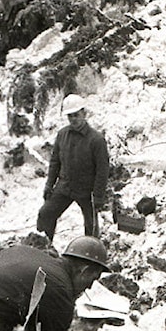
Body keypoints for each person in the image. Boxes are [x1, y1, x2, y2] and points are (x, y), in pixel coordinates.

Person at [38, 94, 110, 241]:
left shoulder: (96, 140)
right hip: (64, 186)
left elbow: (102, 171)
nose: (73, 119)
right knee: (46, 214)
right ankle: (44, 249)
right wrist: (49, 185)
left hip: (86, 191)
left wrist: (98, 196)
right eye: (70, 116)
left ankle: (89, 258)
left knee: (91, 229)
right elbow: (55, 162)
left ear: (84, 113)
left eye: (76, 115)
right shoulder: (62, 135)